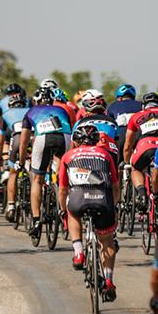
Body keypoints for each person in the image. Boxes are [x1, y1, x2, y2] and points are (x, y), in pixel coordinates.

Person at [58, 122, 121, 299]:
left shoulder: (68, 156)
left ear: (76, 142)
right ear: (96, 141)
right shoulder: (105, 154)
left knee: (72, 213)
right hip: (103, 199)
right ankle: (108, 281)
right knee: (107, 242)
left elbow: (62, 190)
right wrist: (114, 206)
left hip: (78, 198)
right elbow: (115, 186)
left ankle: (78, 253)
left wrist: (63, 210)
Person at [18, 87, 73, 237]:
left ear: (36, 100)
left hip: (43, 138)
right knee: (64, 179)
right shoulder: (62, 110)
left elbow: (23, 143)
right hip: (64, 138)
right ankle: (66, 215)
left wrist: (22, 162)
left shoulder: (31, 111)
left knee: (37, 179)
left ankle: (36, 221)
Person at [122, 93, 158, 213]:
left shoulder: (136, 116)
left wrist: (126, 162)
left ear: (143, 105)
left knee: (136, 169)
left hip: (146, 145)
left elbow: (128, 144)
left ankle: (142, 192)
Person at [0, 83, 30, 220]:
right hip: (32, 139)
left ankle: (11, 206)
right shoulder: (31, 110)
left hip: (16, 138)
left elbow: (0, 139)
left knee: (13, 172)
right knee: (34, 169)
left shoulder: (6, 113)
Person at [107, 84, 142, 153]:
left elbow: (110, 125)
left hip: (121, 137)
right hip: (138, 137)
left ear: (119, 98)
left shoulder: (112, 106)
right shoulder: (141, 104)